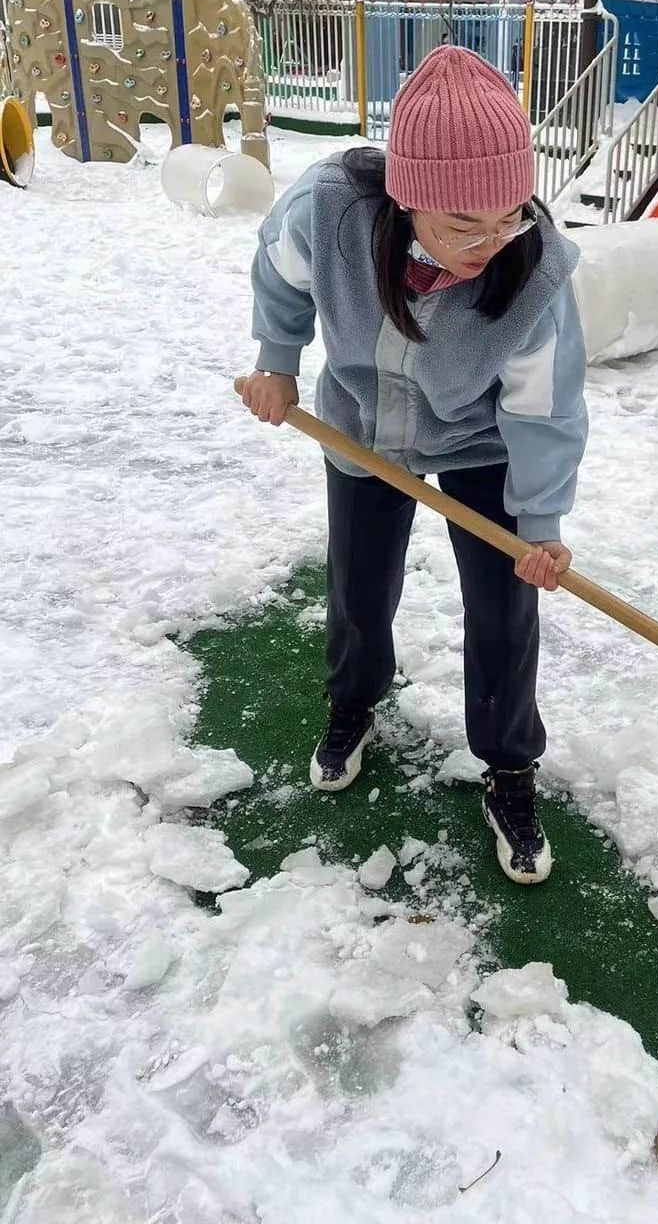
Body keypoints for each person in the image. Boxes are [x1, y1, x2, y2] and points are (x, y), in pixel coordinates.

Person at [242, 46, 588, 885]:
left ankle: (509, 766)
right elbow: (279, 278)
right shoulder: (330, 213)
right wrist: (277, 360)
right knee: (360, 584)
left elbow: (544, 409)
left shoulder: (533, 271)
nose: (489, 241)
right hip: (362, 427)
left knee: (505, 610)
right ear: (406, 196)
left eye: (507, 215)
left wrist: (538, 525)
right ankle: (352, 706)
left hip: (481, 443)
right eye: (462, 224)